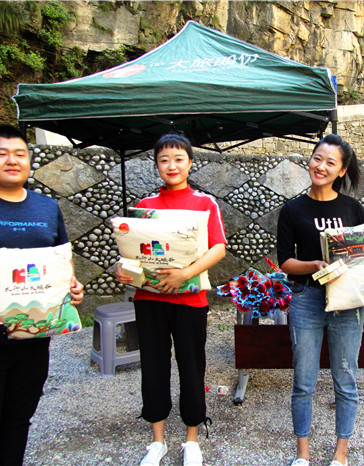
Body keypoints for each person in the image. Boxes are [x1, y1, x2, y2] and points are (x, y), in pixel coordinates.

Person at [0, 124, 85, 465]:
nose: (12, 160)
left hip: (34, 341)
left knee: (18, 424)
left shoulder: (46, 208)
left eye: (20, 153)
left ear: (29, 160)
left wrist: (71, 287)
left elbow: (59, 262)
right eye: (1, 153)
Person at [276, 134, 364, 466]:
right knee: (303, 381)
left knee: (346, 379)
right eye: (317, 158)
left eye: (330, 162)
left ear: (342, 170)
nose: (321, 166)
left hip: (349, 304)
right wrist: (314, 266)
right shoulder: (292, 209)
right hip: (307, 299)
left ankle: (340, 455)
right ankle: (302, 454)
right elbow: (285, 261)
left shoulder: (352, 208)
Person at [115, 133, 226, 466]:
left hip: (190, 301)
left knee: (192, 367)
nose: (172, 165)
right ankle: (157, 440)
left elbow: (218, 248)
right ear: (156, 166)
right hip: (149, 299)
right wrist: (122, 268)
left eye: (179, 159)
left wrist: (185, 274)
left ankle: (192, 439)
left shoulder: (205, 203)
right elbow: (131, 251)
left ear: (190, 163)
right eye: (164, 160)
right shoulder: (145, 207)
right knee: (153, 366)